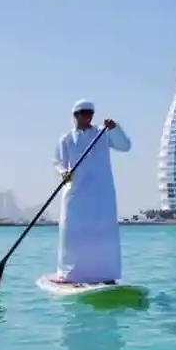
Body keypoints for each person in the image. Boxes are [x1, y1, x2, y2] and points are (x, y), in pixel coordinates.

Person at [52, 99, 132, 285]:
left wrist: (115, 128)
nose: (89, 116)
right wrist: (63, 172)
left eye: (91, 113)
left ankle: (106, 275)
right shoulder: (66, 139)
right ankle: (70, 275)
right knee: (73, 234)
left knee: (103, 234)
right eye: (84, 113)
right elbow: (57, 162)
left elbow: (125, 146)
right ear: (76, 115)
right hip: (76, 194)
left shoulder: (102, 134)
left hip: (101, 194)